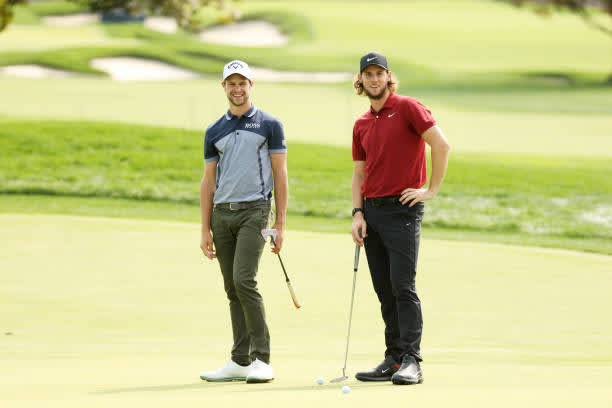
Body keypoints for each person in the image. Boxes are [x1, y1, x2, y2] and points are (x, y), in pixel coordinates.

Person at [350, 52, 450, 385]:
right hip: (372, 212)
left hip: (402, 210)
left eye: (380, 73)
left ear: (388, 77)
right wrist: (357, 213)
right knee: (384, 290)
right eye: (368, 74)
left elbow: (441, 144)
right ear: (361, 80)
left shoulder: (408, 107)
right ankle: (393, 359)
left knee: (403, 287)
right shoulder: (361, 124)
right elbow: (359, 174)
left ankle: (412, 360)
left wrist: (430, 190)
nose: (374, 79)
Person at [199, 60, 288, 384]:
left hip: (255, 210)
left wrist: (279, 224)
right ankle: (239, 359)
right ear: (224, 87)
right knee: (231, 288)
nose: (237, 88)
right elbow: (208, 181)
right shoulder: (214, 130)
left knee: (243, 280)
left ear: (251, 86)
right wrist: (204, 228)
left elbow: (280, 174)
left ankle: (262, 359)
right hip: (222, 214)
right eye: (231, 83)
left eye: (243, 83)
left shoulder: (269, 125)